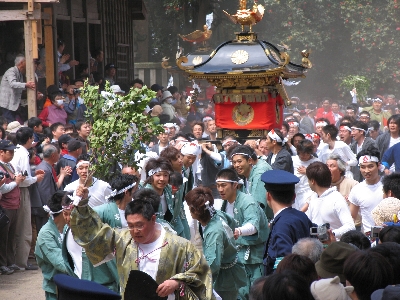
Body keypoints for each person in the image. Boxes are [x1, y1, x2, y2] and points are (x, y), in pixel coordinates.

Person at [70, 188, 214, 299]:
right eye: (130, 225)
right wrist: (82, 205)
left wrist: (177, 282)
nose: (135, 231)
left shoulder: (180, 245)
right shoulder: (122, 239)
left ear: (152, 219)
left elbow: (201, 272)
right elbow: (94, 235)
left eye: (139, 225)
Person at [185, 187, 246, 299]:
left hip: (227, 279)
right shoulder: (217, 214)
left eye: (189, 207)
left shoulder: (214, 233)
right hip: (229, 267)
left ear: (196, 210)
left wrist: (190, 277)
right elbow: (232, 223)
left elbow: (212, 264)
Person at [216, 168, 268, 299]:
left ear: (235, 185)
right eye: (218, 186)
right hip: (236, 254)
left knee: (257, 291)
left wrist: (238, 231)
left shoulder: (247, 201)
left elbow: (253, 225)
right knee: (240, 292)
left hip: (253, 254)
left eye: (223, 185)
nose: (220, 189)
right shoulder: (224, 203)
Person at [261, 169, 313, 276]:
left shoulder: (281, 225)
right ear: (294, 196)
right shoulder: (301, 216)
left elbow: (284, 264)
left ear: (268, 196)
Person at [11, 127, 45, 270]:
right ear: (30, 139)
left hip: (14, 189)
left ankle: (16, 260)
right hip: (22, 190)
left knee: (16, 227)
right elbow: (24, 179)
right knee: (24, 227)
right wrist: (36, 178)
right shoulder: (23, 153)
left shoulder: (14, 150)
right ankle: (21, 262)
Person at [34, 191, 76, 300]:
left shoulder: (69, 227)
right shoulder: (46, 234)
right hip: (56, 289)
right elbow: (61, 263)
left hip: (74, 284)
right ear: (64, 211)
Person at [305, 161, 355, 238]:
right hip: (316, 246)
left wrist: (329, 234)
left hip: (334, 247)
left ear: (312, 181)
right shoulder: (314, 197)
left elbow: (350, 227)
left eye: (308, 180)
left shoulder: (336, 199)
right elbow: (308, 223)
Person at [144, 157, 189, 239]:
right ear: (151, 176)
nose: (162, 179)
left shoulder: (167, 190)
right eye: (158, 175)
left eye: (165, 175)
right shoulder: (146, 194)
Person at [0, 140, 26, 275]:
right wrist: (16, 182)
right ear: (1, 152)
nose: (12, 154)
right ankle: (3, 264)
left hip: (15, 204)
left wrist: (17, 180)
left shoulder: (9, 165)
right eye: (9, 152)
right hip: (5, 206)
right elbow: (2, 189)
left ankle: (10, 261)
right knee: (3, 237)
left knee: (11, 236)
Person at [230, 145, 273, 218]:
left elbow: (258, 206)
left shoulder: (260, 173)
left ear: (249, 160)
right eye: (234, 162)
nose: (236, 165)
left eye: (239, 161)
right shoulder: (248, 172)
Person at [348, 147, 383, 234]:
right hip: (368, 237)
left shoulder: (388, 185)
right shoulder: (357, 190)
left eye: (370, 166)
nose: (366, 171)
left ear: (378, 165)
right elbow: (351, 218)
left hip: (389, 235)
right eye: (363, 167)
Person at [0, 55, 35, 122]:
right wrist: (26, 85)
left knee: (15, 121)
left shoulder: (20, 73)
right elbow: (13, 84)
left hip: (14, 104)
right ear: (21, 62)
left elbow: (20, 87)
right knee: (10, 122)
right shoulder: (11, 71)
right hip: (7, 104)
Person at [292, 139, 319, 211]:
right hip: (295, 193)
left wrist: (308, 171)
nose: (304, 156)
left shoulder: (316, 162)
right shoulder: (292, 160)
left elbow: (321, 176)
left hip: (310, 193)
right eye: (302, 153)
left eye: (307, 153)